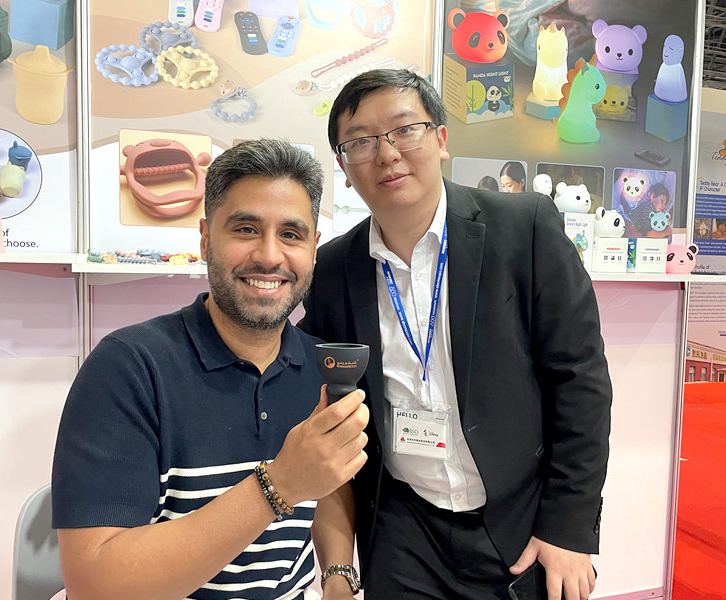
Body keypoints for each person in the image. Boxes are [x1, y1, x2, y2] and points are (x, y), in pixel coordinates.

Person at [298, 69, 612, 600]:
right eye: (361, 142)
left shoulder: (525, 228)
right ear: (344, 168)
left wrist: (568, 527)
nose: (387, 153)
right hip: (402, 527)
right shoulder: (331, 269)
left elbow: (580, 381)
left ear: (441, 139)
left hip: (517, 519)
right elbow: (325, 400)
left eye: (404, 129)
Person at [51, 139, 370, 600]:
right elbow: (94, 585)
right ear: (205, 238)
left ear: (314, 248)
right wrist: (280, 483)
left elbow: (326, 476)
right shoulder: (129, 368)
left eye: (291, 235)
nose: (269, 256)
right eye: (245, 229)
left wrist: (338, 576)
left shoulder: (324, 366)